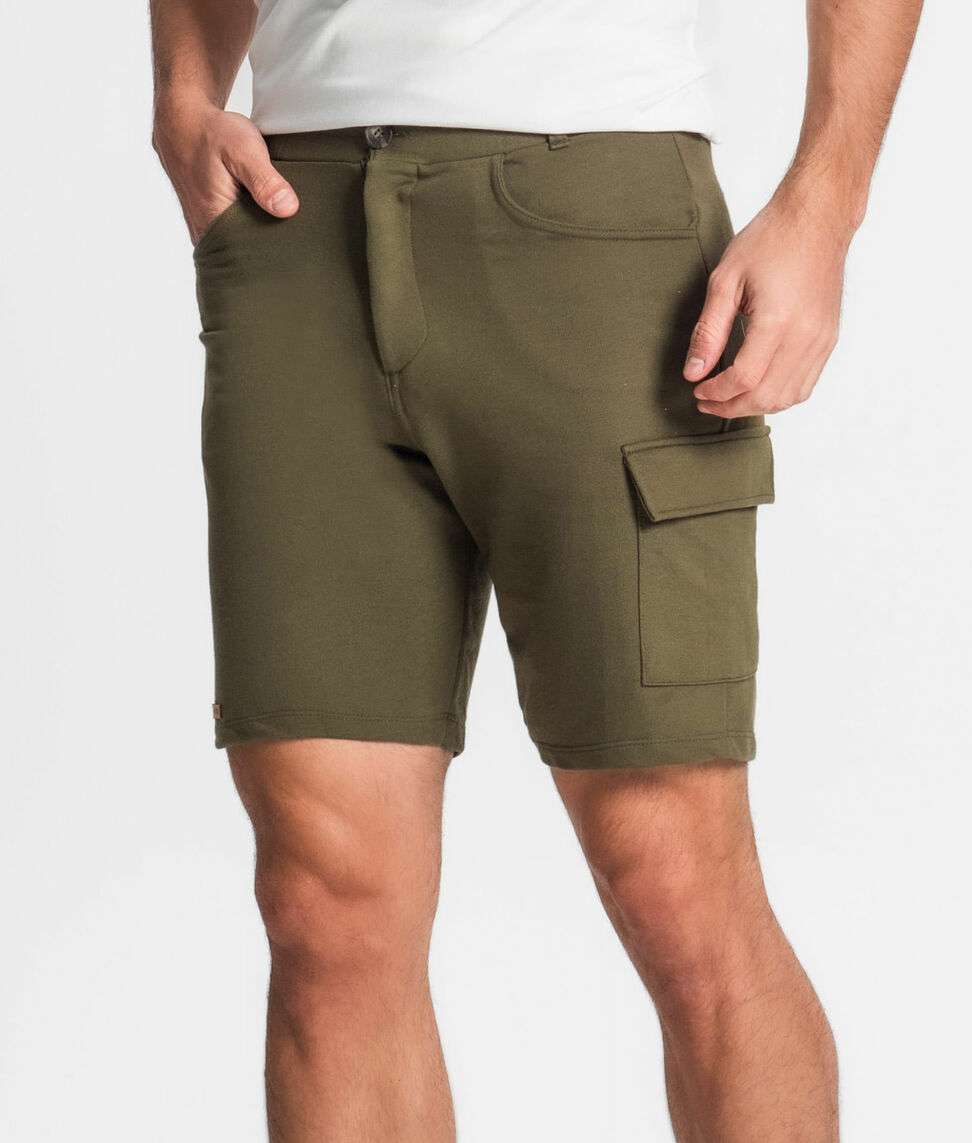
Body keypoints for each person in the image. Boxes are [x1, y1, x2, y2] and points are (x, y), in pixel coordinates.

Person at [151, 2, 922, 1138]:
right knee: (323, 903)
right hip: (293, 226)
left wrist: (825, 206)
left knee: (671, 871)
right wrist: (183, 93)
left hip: (598, 227)